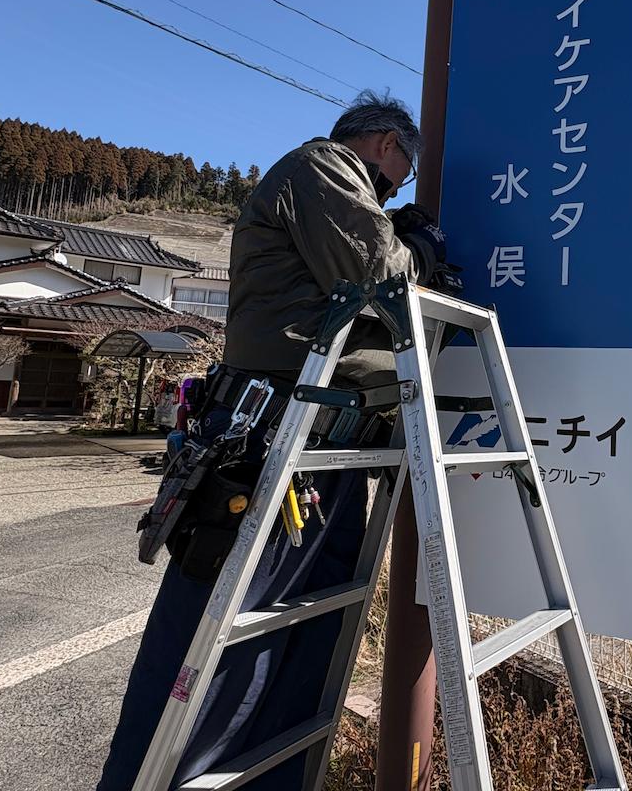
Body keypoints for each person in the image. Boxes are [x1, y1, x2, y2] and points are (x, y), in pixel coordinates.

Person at [97, 91, 448, 790]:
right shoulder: (324, 165)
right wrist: (423, 252)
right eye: (402, 169)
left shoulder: (340, 186)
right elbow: (382, 277)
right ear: (384, 144)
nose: (398, 184)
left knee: (294, 643)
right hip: (272, 440)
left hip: (322, 443)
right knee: (213, 646)